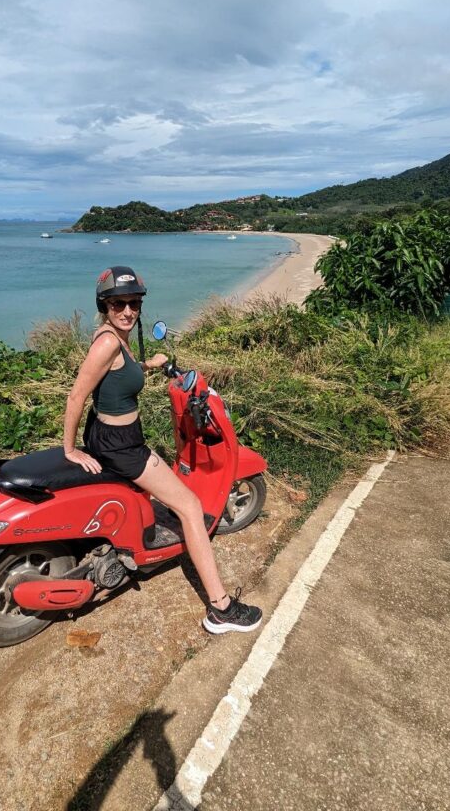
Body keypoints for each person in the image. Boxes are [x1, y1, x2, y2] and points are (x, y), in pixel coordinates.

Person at [63, 265, 262, 634]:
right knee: (188, 506)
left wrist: (151, 365)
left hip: (109, 437)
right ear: (104, 305)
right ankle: (220, 608)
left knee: (165, 490)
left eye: (134, 303)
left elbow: (119, 370)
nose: (127, 311)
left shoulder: (111, 338)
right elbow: (77, 394)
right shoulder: (108, 341)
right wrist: (69, 449)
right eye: (118, 303)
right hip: (122, 446)